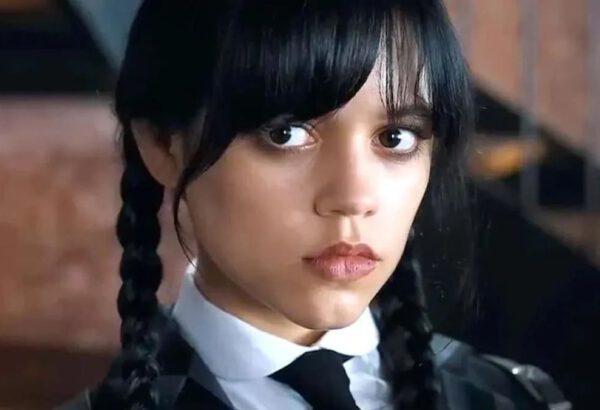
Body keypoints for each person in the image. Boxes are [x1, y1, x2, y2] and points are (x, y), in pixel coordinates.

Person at [58, 0, 570, 409]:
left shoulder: (515, 399)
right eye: (286, 133)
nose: (354, 198)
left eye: (395, 138)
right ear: (163, 145)